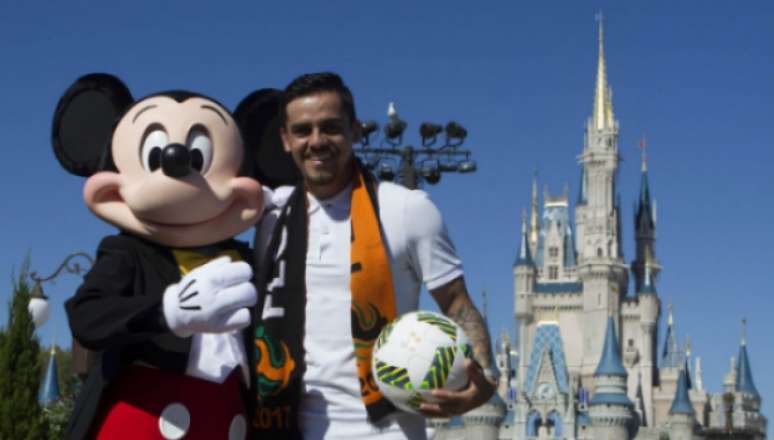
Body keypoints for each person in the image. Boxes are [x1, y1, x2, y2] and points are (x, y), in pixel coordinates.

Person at [252, 72, 495, 440]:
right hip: (288, 429)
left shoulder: (407, 209)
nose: (316, 141)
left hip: (386, 431)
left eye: (330, 128)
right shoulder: (270, 218)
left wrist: (486, 378)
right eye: (302, 130)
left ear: (354, 131)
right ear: (286, 140)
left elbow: (457, 302)